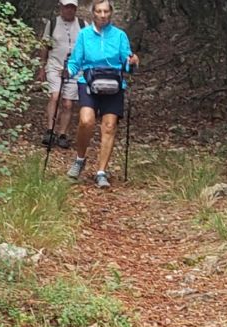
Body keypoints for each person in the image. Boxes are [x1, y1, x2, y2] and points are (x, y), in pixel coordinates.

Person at [64, 0, 138, 188]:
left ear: (111, 13)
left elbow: (127, 63)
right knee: (86, 121)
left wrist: (133, 62)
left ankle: (101, 172)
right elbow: (75, 61)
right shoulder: (84, 35)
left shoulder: (120, 36)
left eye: (106, 11)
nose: (103, 15)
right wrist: (68, 71)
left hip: (114, 84)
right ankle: (80, 159)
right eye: (99, 11)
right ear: (93, 13)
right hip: (88, 82)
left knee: (109, 126)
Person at [36, 0, 85, 149]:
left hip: (75, 69)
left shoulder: (83, 25)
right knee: (54, 96)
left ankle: (63, 134)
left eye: (72, 7)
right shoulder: (52, 23)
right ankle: (50, 130)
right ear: (61, 7)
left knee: (68, 103)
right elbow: (45, 45)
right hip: (54, 65)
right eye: (66, 7)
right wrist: (42, 67)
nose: (69, 10)